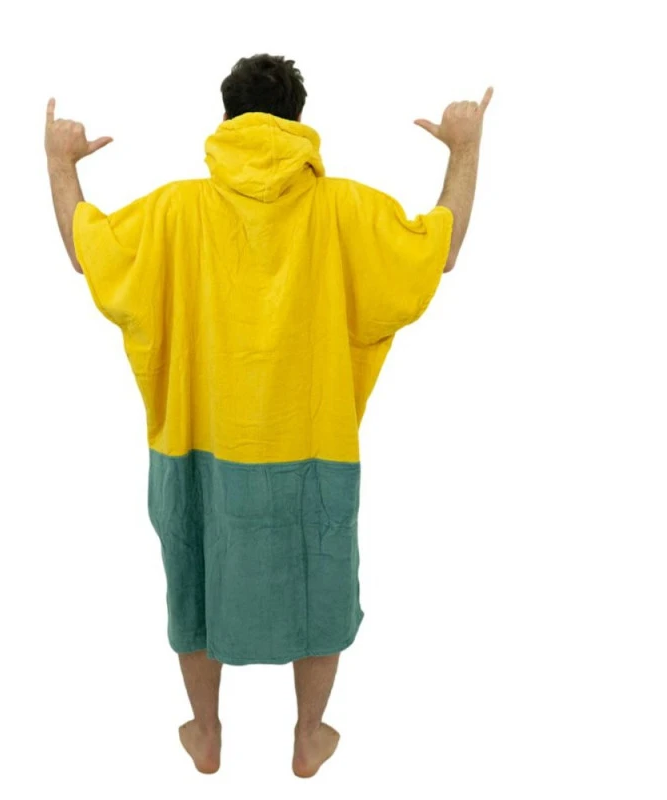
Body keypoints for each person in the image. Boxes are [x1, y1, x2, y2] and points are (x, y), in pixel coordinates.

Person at [45, 53, 492, 778]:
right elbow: (436, 250)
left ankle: (207, 733)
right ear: (298, 119)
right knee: (319, 576)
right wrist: (465, 149)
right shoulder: (346, 208)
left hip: (197, 444)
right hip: (314, 449)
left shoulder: (175, 210)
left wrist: (59, 162)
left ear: (226, 117)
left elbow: (83, 249)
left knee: (195, 569)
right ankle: (308, 737)